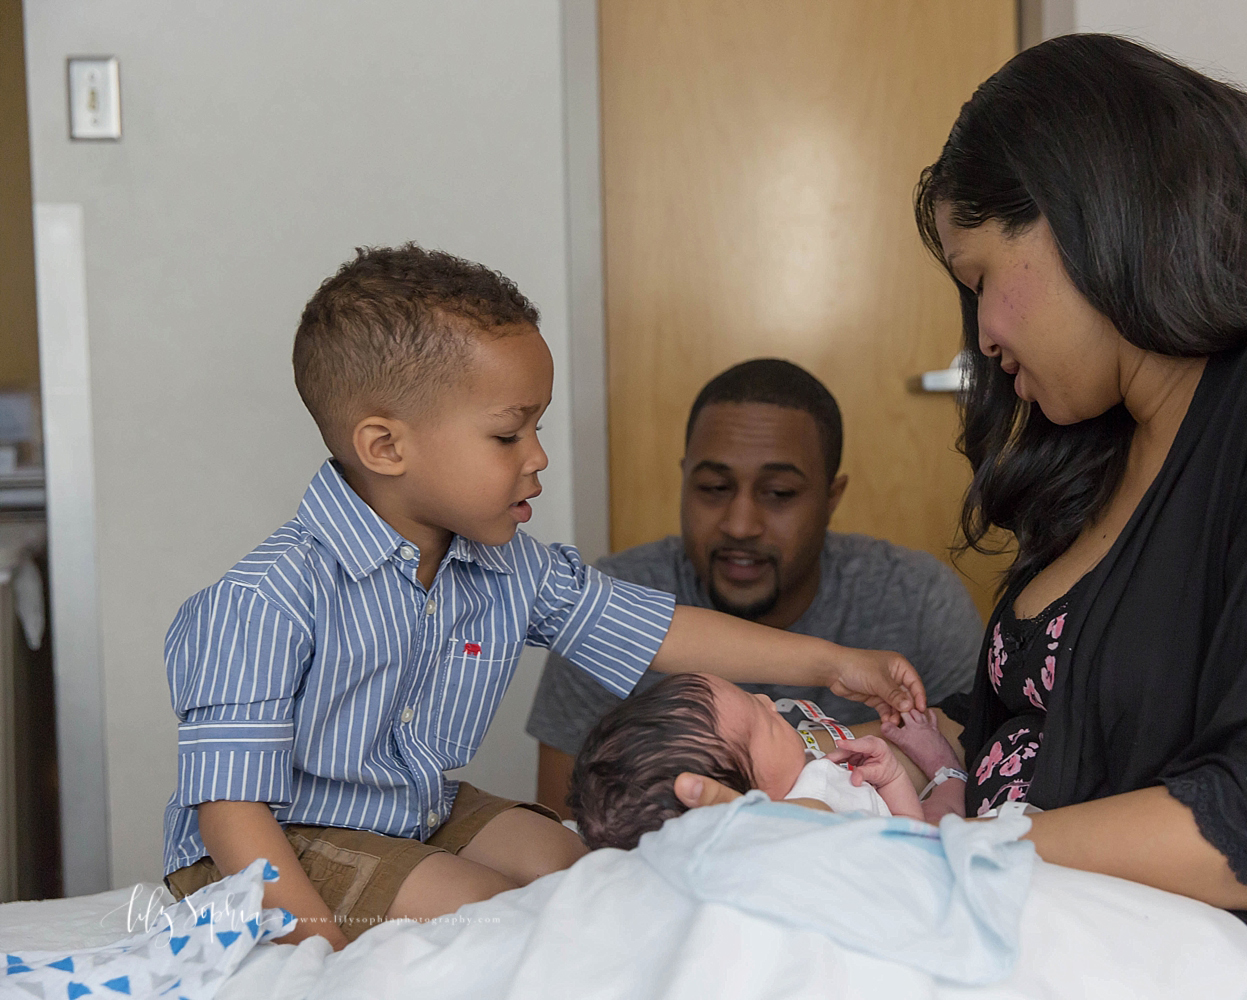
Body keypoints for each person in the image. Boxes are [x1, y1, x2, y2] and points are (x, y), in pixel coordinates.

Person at [676, 35, 1247, 1000]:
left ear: (1084, 217)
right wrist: (928, 768)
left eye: (982, 278)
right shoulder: (1097, 450)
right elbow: (1090, 739)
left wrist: (944, 856)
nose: (980, 334)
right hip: (1085, 915)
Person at [159, 245, 925, 951]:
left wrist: (833, 663)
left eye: (539, 426)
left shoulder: (507, 567)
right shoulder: (265, 599)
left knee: (589, 872)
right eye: (507, 435)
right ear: (386, 447)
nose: (539, 457)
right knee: (496, 915)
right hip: (276, 838)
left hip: (408, 809)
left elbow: (661, 631)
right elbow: (230, 813)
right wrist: (315, 959)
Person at [526, 359, 980, 815]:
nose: (740, 525)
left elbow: (977, 764)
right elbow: (566, 829)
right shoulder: (611, 610)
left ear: (831, 497)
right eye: (713, 487)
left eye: (779, 493)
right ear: (683, 479)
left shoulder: (918, 601)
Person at [569, 673, 923, 850]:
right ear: (748, 800)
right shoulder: (811, 811)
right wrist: (893, 781)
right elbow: (915, 852)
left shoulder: (797, 790)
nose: (769, 700)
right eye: (766, 723)